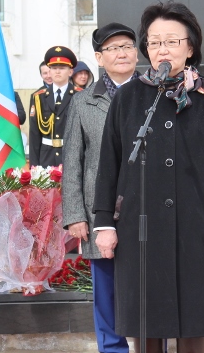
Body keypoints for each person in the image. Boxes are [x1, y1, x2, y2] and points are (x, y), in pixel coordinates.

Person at [93, 2, 204, 353]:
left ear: (190, 47)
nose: (163, 49)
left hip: (198, 225)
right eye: (155, 42)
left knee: (194, 317)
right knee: (147, 320)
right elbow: (110, 162)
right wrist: (104, 222)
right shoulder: (129, 97)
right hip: (139, 227)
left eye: (172, 42)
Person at [62, 22, 140, 353]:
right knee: (106, 290)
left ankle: (152, 346)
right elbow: (73, 161)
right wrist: (75, 214)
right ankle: (113, 349)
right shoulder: (83, 102)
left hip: (145, 207)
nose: (121, 53)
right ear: (98, 57)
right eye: (113, 48)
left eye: (127, 46)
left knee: (149, 288)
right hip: (100, 209)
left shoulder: (155, 91)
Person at [28, 46, 81, 167]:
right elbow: (34, 135)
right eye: (54, 68)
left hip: (72, 157)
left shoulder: (80, 95)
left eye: (62, 68)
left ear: (70, 71)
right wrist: (34, 166)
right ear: (49, 71)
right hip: (46, 158)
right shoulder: (38, 97)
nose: (57, 71)